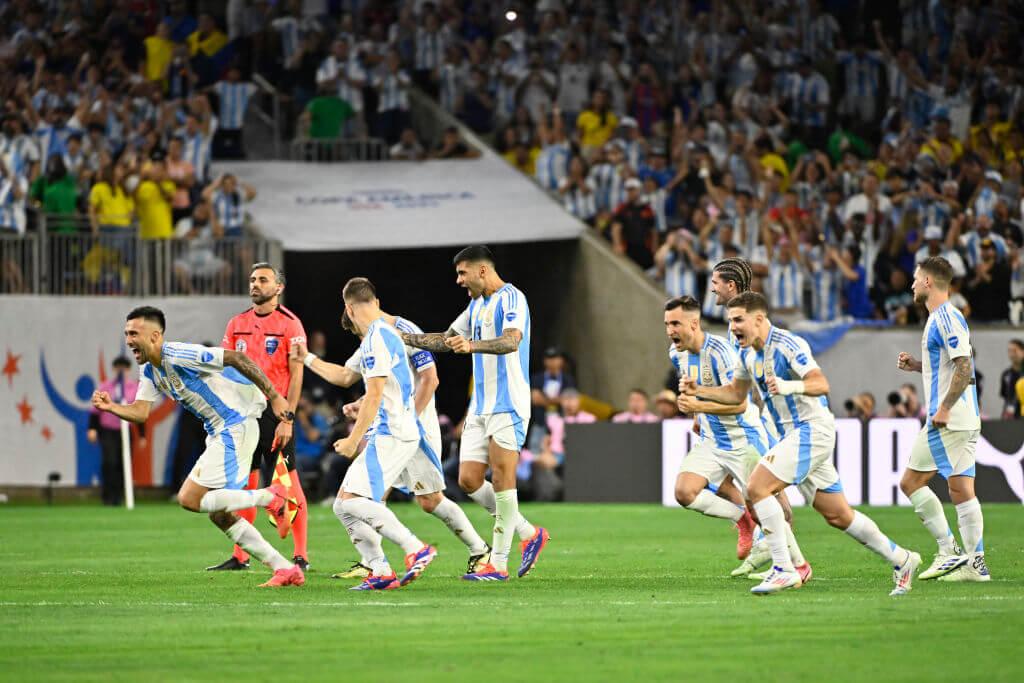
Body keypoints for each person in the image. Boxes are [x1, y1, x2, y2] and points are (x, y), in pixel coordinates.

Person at [683, 292, 920, 596]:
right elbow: (735, 395)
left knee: (755, 488)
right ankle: (902, 559)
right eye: (730, 321)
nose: (733, 327)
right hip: (792, 437)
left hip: (812, 430)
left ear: (759, 319)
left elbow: (821, 382)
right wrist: (699, 391)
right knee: (838, 514)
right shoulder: (746, 353)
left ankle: (784, 568)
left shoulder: (788, 344)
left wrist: (787, 385)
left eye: (738, 319)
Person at [91, 306, 304, 588]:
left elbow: (237, 357)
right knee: (220, 514)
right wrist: (111, 407)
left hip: (234, 426)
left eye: (134, 333)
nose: (129, 340)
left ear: (155, 336)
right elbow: (141, 412)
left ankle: (271, 496)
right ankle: (285, 568)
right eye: (126, 333)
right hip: (220, 432)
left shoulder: (180, 354)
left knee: (189, 499)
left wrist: (276, 396)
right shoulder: (150, 371)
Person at [294, 302, 492, 580]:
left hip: (412, 426)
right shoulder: (372, 338)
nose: (358, 339)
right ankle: (377, 564)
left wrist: (409, 418)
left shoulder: (402, 331)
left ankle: (448, 551)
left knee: (421, 499)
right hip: (395, 424)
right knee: (372, 496)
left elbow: (430, 380)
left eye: (357, 333)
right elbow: (347, 376)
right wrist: (309, 360)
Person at [402, 245, 549, 581]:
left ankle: (497, 564)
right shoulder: (476, 305)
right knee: (468, 480)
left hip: (509, 403)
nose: (458, 280)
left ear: (482, 271)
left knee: (501, 478)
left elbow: (511, 341)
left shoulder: (513, 299)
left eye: (462, 273)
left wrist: (472, 346)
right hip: (480, 407)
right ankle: (529, 533)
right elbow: (445, 339)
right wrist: (403, 338)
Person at [330, 277, 439, 590]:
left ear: (349, 309)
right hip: (397, 428)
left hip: (391, 431)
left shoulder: (376, 337)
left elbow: (376, 394)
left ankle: (415, 547)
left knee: (352, 501)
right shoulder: (387, 333)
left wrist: (353, 439)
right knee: (343, 504)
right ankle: (380, 571)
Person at [209, 263, 311, 571]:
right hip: (243, 414)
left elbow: (296, 376)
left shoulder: (291, 325)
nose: (255, 284)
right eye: (252, 279)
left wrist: (288, 418)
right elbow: (226, 369)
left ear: (278, 288)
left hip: (274, 412)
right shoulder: (236, 323)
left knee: (288, 482)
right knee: (246, 484)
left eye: (263, 280)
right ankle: (241, 556)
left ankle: (301, 555)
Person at [665, 296, 779, 572]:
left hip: (743, 438)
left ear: (694, 323)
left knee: (771, 508)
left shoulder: (722, 351)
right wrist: (696, 414)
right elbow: (695, 387)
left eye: (675, 323)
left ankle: (792, 565)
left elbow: (740, 402)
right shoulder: (676, 353)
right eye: (667, 324)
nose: (670, 330)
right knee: (684, 491)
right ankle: (742, 520)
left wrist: (698, 405)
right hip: (711, 439)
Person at [896, 257, 988, 582]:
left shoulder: (946, 317)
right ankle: (976, 566)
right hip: (966, 418)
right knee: (961, 489)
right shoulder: (941, 318)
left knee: (909, 483)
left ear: (929, 283)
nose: (912, 284)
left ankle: (948, 551)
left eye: (915, 279)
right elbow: (951, 367)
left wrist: (945, 408)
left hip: (949, 418)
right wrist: (919, 366)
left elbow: (965, 367)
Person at [87, 356, 143, 506]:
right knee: (109, 462)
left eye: (124, 368)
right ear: (113, 369)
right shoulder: (105, 386)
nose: (121, 371)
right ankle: (108, 496)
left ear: (128, 370)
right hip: (108, 430)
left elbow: (139, 411)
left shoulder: (134, 388)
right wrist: (92, 428)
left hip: (126, 430)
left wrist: (142, 434)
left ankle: (118, 496)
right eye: (118, 367)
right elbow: (95, 410)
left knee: (123, 464)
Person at [999, 340, 1024, 419]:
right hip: (1010, 417)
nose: (1012, 354)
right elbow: (1004, 395)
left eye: (1015, 350)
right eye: (1009, 351)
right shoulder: (1006, 374)